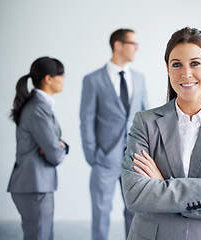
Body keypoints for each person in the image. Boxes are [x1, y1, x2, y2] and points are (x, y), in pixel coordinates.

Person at [121, 27, 201, 240]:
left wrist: (163, 187)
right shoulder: (145, 123)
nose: (186, 74)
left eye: (195, 63)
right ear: (167, 68)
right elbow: (135, 195)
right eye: (176, 65)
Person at [80, 28, 149, 240]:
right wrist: (93, 155)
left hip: (134, 158)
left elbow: (146, 117)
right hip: (104, 158)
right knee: (101, 212)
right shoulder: (93, 80)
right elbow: (86, 120)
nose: (137, 48)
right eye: (133, 44)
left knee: (134, 211)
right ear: (118, 45)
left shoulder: (139, 78)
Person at [7, 56, 69, 240]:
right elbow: (55, 155)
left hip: (36, 185)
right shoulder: (38, 108)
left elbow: (53, 147)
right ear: (48, 79)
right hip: (34, 186)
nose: (64, 79)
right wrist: (59, 147)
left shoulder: (38, 106)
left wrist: (59, 145)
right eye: (61, 75)